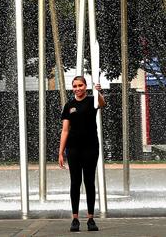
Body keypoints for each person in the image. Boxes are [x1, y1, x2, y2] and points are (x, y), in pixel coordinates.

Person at [58, 75, 106, 232]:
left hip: (91, 147)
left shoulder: (92, 100)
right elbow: (65, 130)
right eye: (75, 86)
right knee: (75, 182)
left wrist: (98, 92)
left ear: (85, 86)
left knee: (90, 182)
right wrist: (60, 153)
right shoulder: (69, 105)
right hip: (73, 148)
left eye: (80, 85)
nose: (77, 88)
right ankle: (75, 218)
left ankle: (91, 218)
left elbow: (102, 104)